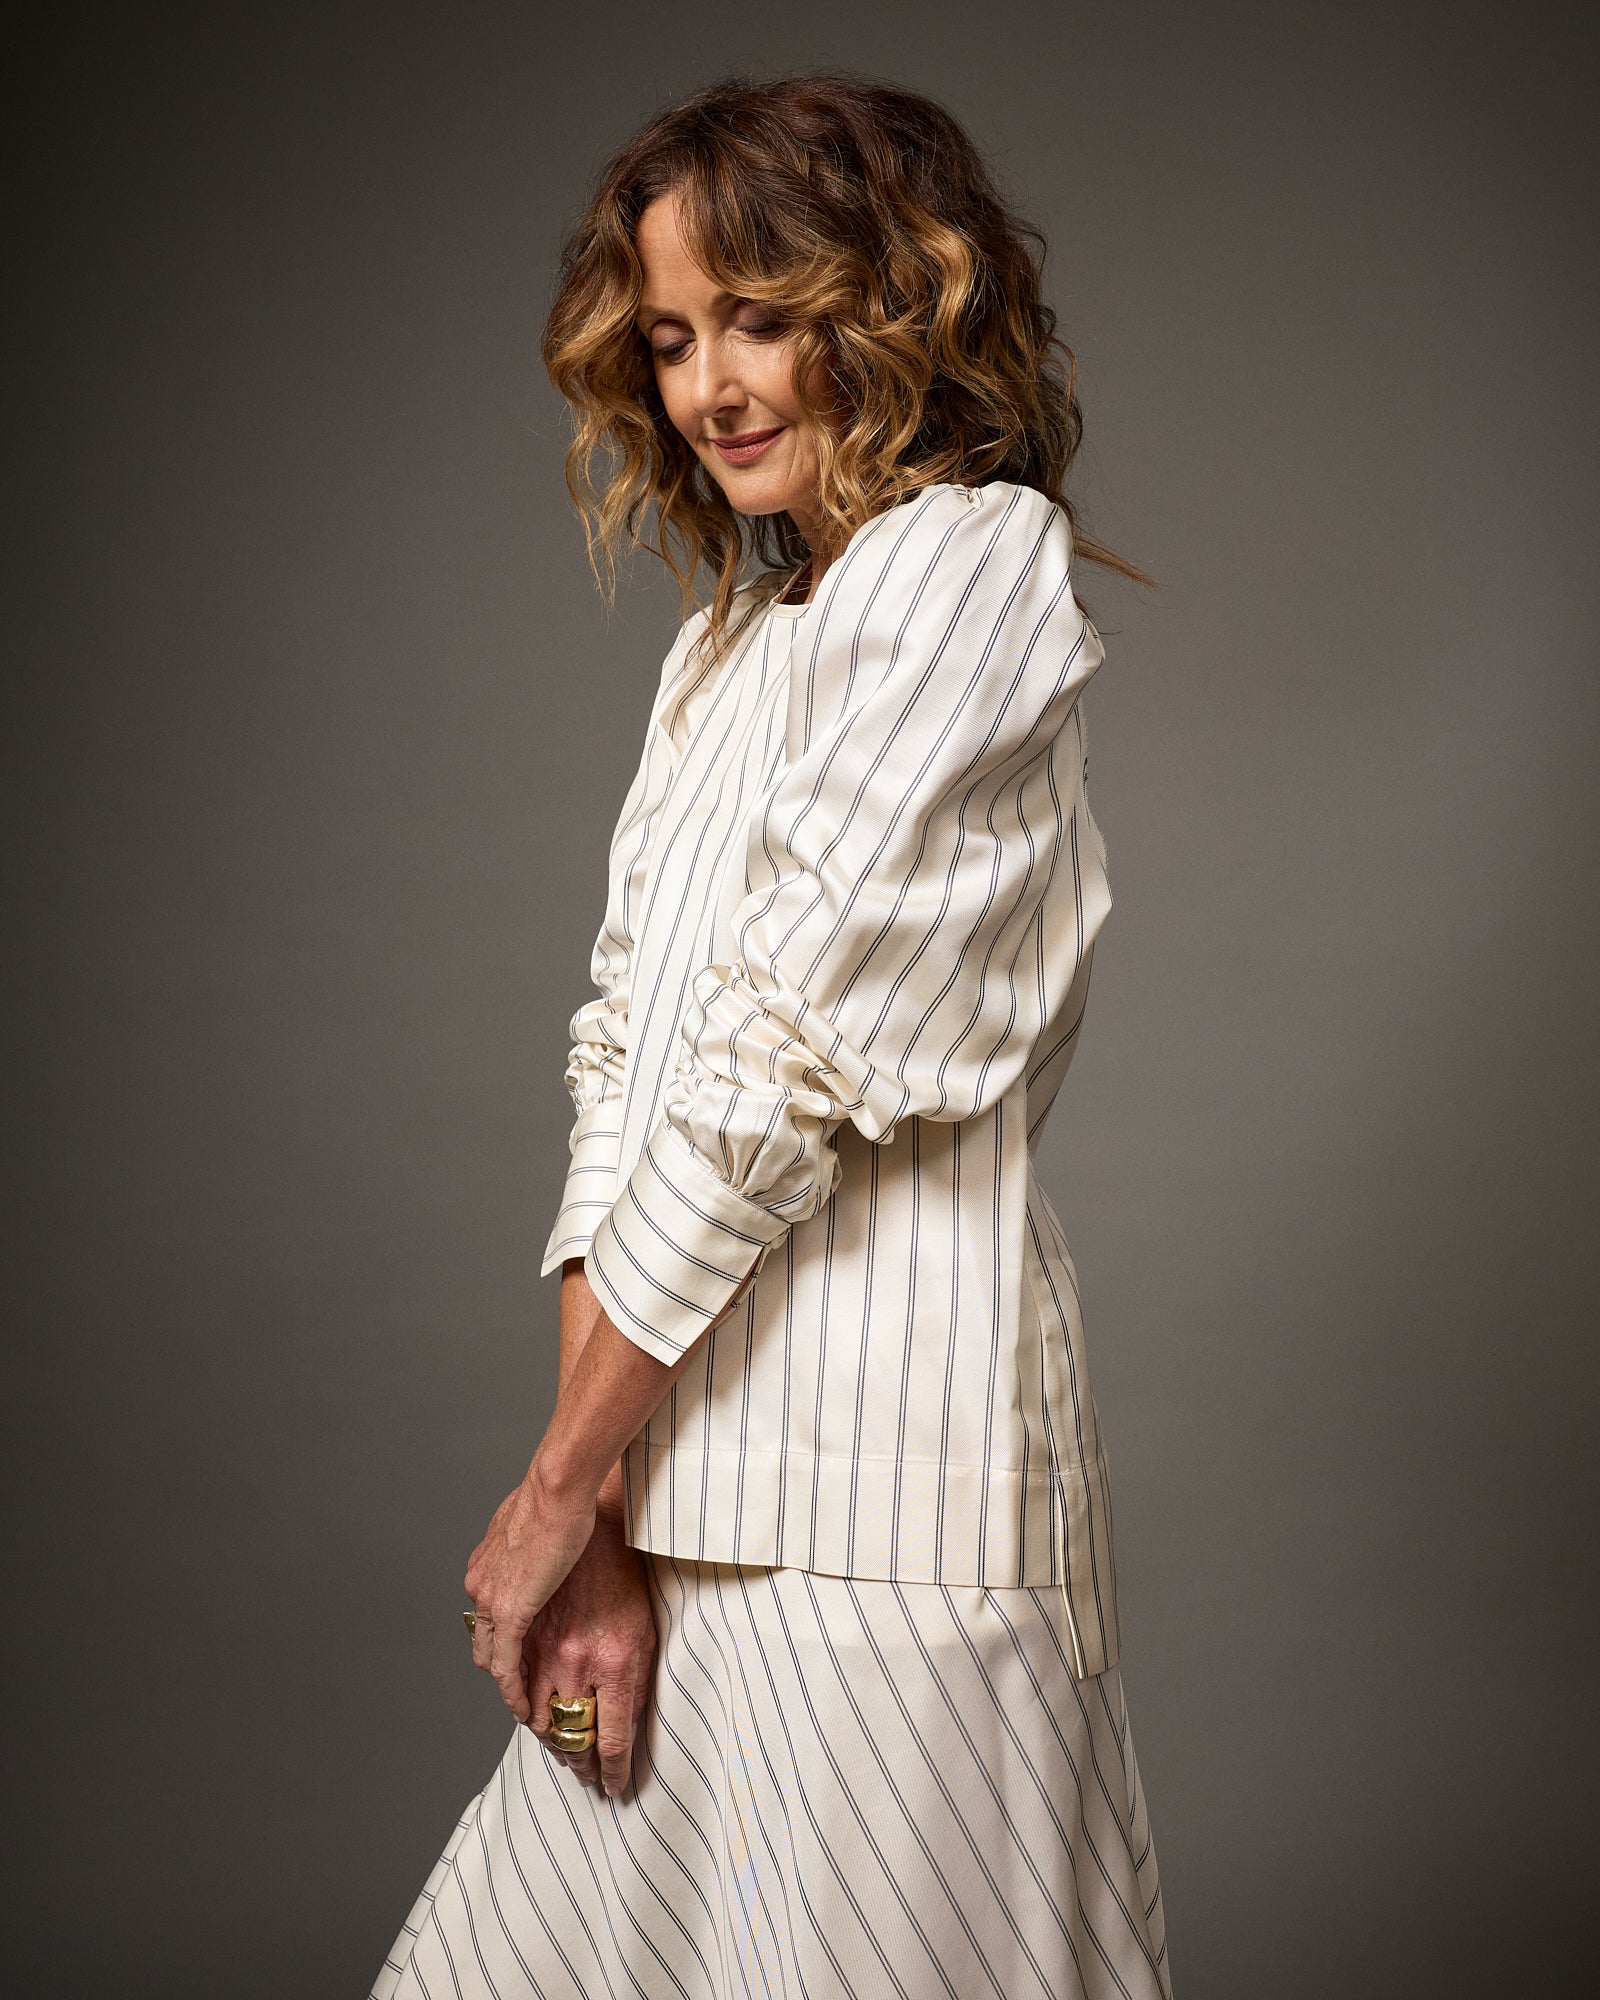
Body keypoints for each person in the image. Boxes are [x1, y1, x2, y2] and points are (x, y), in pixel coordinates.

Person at [373, 69, 1172, 2000]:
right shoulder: (724, 650)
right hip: (675, 1490)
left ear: (889, 311)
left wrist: (556, 1487)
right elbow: (629, 1062)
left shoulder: (968, 568)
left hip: (890, 1514)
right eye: (670, 339)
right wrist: (603, 1521)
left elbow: (773, 1078)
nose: (713, 387)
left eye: (759, 318)